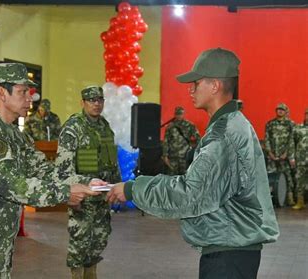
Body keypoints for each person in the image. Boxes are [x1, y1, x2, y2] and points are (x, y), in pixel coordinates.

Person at [107, 48, 279, 279]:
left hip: (228, 254)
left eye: (196, 83)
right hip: (233, 245)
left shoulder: (223, 134)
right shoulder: (234, 123)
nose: (190, 89)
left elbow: (191, 193)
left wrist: (133, 188)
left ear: (215, 86)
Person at [0, 63, 100, 278]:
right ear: (2, 93)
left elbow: (45, 170)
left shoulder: (15, 134)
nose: (30, 98)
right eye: (23, 92)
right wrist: (64, 193)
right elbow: (9, 184)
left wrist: (86, 182)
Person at [55, 85, 121, 279]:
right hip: (83, 197)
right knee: (80, 243)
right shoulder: (73, 128)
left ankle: (91, 275)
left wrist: (116, 186)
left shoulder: (105, 126)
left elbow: (112, 160)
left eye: (100, 100)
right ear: (82, 102)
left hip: (103, 197)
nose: (97, 104)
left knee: (99, 240)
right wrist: (83, 184)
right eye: (92, 100)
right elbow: (62, 170)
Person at [264, 103, 296, 205]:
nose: (280, 111)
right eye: (278, 109)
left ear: (286, 111)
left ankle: (289, 198)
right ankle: (270, 198)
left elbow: (292, 140)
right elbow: (267, 139)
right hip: (273, 155)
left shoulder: (290, 124)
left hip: (285, 156)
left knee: (288, 176)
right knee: (270, 177)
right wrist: (269, 152)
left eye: (282, 110)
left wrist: (287, 153)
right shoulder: (270, 124)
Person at [162, 106, 200, 175]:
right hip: (172, 157)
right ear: (175, 114)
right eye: (177, 114)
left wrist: (196, 152)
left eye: (180, 114)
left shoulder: (189, 125)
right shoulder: (170, 126)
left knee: (185, 177)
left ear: (183, 114)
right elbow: (166, 141)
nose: (179, 116)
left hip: (185, 156)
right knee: (171, 178)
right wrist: (165, 155)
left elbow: (198, 138)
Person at [291, 108, 308, 210]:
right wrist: (292, 157)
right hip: (301, 159)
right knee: (299, 180)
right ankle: (300, 201)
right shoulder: (297, 128)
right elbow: (292, 143)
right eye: (307, 114)